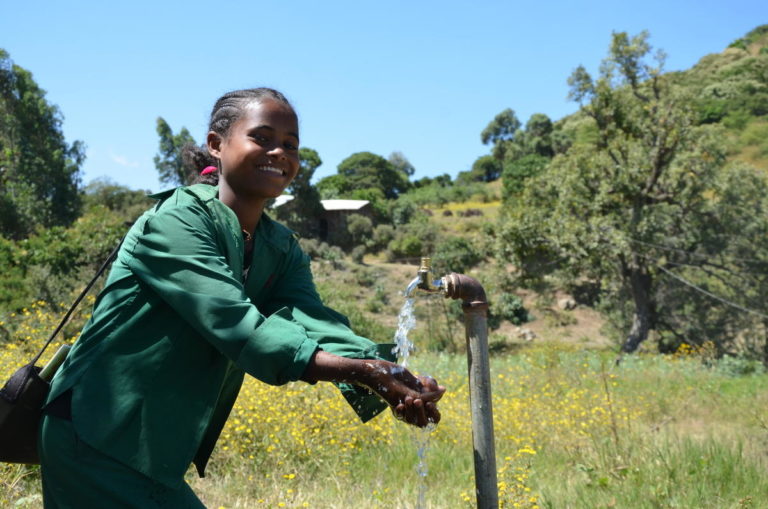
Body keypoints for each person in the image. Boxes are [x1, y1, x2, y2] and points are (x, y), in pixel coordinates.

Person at [38, 87, 445, 508]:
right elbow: (237, 326)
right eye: (262, 137)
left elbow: (312, 319)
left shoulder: (278, 245)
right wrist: (364, 373)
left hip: (151, 445)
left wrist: (392, 374)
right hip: (94, 432)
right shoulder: (176, 223)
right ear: (216, 144)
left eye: (290, 144)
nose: (279, 152)